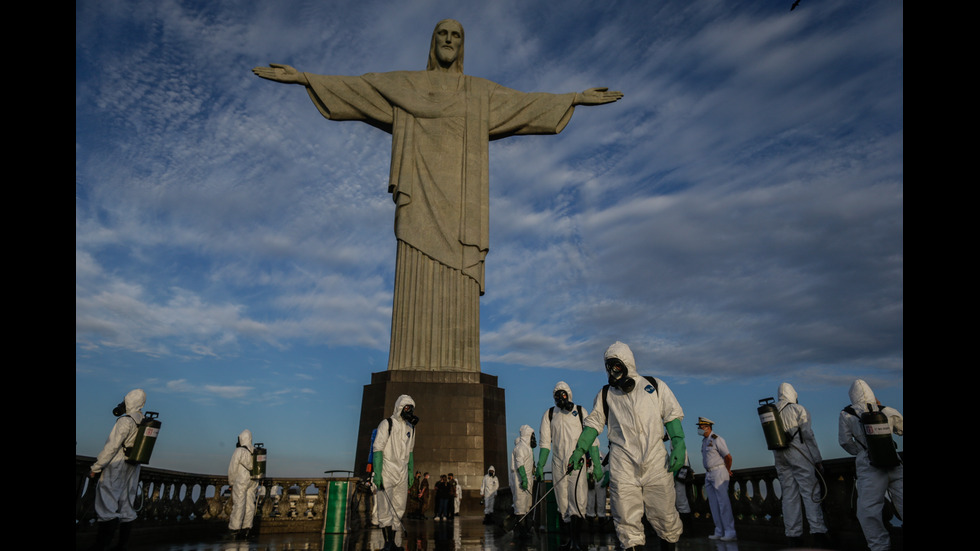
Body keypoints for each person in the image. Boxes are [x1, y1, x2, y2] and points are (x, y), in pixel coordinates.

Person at [252, 20, 623, 375]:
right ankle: (409, 359)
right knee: (415, 272)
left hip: (462, 211)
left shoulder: (480, 93)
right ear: (433, 42)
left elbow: (525, 105)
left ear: (463, 46)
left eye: (456, 36)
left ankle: (458, 363)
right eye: (442, 34)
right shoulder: (406, 86)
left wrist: (574, 98)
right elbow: (359, 89)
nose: (449, 40)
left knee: (459, 280)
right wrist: (304, 78)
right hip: (418, 203)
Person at [569, 342, 687, 551]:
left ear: (626, 363)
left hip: (655, 460)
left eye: (615, 366)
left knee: (665, 514)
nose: (612, 372)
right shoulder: (606, 395)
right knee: (625, 516)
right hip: (623, 463)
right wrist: (579, 449)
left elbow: (671, 415)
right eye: (608, 367)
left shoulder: (654, 386)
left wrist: (678, 442)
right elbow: (593, 424)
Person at [838, 379, 903, 551]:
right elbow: (902, 429)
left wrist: (859, 451)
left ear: (852, 396)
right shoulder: (887, 410)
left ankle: (879, 547)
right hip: (893, 461)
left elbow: (845, 442)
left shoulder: (846, 414)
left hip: (869, 465)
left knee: (868, 510)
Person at [537, 382, 601, 550]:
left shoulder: (580, 412)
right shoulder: (550, 414)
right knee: (562, 502)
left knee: (578, 500)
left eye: (562, 394)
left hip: (577, 463)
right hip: (558, 463)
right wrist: (540, 465)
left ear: (569, 395)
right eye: (557, 395)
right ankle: (568, 540)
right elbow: (545, 443)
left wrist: (596, 465)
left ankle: (577, 541)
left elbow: (592, 439)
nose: (560, 398)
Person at [87, 389, 147, 551]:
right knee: (127, 504)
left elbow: (111, 447)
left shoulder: (125, 421)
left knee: (107, 501)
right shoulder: (143, 420)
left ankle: (101, 545)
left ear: (128, 401)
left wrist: (97, 467)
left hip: (117, 465)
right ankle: (122, 545)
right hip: (133, 467)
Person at [773, 383, 829, 547]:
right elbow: (808, 435)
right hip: (798, 452)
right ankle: (818, 532)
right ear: (793, 394)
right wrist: (817, 459)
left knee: (789, 495)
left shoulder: (771, 411)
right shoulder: (798, 409)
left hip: (779, 455)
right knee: (810, 490)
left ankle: (793, 535)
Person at [372, 395, 418, 550]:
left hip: (402, 471)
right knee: (384, 507)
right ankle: (387, 543)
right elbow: (378, 448)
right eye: (406, 407)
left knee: (399, 506)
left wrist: (410, 471)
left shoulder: (410, 427)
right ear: (399, 407)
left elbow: (410, 451)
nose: (409, 411)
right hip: (387, 469)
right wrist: (377, 472)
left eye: (411, 408)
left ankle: (394, 542)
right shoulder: (387, 424)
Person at [697, 417, 736, 542]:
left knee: (723, 503)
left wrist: (727, 470)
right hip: (708, 474)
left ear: (707, 427)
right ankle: (719, 530)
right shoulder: (704, 441)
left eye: (701, 427)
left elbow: (728, 457)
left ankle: (730, 531)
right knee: (713, 504)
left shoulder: (717, 439)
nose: (699, 429)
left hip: (719, 471)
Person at [227, 429, 260, 540]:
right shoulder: (255, 450)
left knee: (239, 505)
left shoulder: (239, 451)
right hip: (253, 481)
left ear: (241, 438)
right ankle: (247, 529)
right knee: (250, 504)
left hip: (241, 480)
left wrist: (231, 482)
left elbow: (233, 468)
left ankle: (234, 530)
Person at [512, 425, 536, 518]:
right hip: (521, 482)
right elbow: (520, 464)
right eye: (532, 436)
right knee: (520, 507)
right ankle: (520, 530)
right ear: (527, 436)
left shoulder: (528, 449)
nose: (533, 438)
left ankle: (527, 529)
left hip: (528, 481)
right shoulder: (520, 448)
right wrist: (524, 479)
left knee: (527, 506)